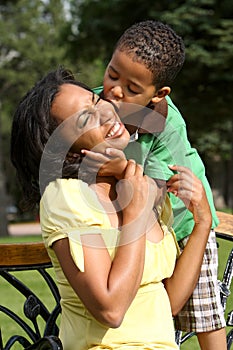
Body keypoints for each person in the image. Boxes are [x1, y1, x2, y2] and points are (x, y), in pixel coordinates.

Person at [11, 67, 212, 350]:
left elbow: (168, 304)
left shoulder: (135, 185)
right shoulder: (67, 198)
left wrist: (202, 222)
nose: (105, 113)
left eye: (95, 103)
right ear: (67, 149)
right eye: (85, 119)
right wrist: (135, 215)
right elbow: (111, 310)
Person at [92, 20, 227, 350]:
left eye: (133, 88)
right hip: (138, 225)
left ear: (158, 95)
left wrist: (123, 167)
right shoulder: (92, 105)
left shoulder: (166, 125)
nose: (116, 90)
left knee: (204, 311)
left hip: (184, 219)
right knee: (150, 307)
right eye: (112, 74)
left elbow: (156, 191)